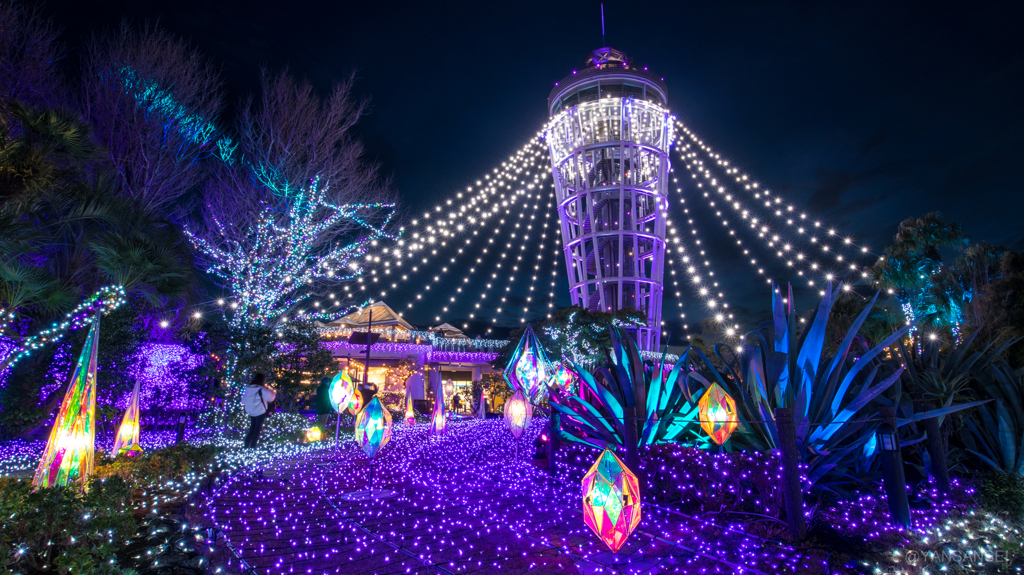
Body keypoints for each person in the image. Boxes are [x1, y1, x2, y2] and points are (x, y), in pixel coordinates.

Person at [242, 373, 276, 448]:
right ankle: (253, 446)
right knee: (257, 429)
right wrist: (271, 390)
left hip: (250, 411)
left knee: (252, 428)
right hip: (260, 411)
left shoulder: (248, 389)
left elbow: (243, 400)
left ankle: (246, 445)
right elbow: (271, 397)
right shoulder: (261, 389)